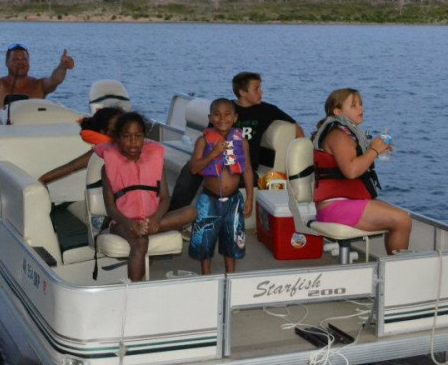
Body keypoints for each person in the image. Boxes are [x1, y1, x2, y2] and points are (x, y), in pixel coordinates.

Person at [168, 71, 304, 212]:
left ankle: (207, 216)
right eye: (256, 89)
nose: (261, 92)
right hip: (218, 159)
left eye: (260, 88)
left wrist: (301, 157)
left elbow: (296, 127)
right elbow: (209, 139)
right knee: (190, 170)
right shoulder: (226, 111)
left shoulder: (267, 110)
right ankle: (175, 214)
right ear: (242, 92)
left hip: (243, 167)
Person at [95, 112, 196, 282]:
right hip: (122, 223)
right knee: (140, 242)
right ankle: (134, 291)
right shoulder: (107, 168)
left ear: (144, 138)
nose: (133, 141)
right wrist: (130, 224)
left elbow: (165, 198)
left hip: (152, 220)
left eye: (138, 136)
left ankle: (146, 228)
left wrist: (155, 219)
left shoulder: (155, 162)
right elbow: (110, 207)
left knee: (191, 211)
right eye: (127, 136)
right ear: (118, 139)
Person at [312, 88, 411, 255]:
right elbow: (351, 171)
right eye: (354, 105)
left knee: (399, 216)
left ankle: (395, 266)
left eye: (361, 104)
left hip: (340, 204)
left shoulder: (343, 133)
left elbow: (351, 162)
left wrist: (373, 151)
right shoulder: (338, 135)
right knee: (402, 220)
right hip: (335, 207)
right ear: (337, 111)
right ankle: (398, 270)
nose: (361, 109)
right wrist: (374, 151)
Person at [187, 98, 254, 275]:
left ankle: (230, 277)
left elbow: (247, 170)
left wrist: (249, 198)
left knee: (232, 241)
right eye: (216, 114)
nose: (222, 118)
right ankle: (206, 278)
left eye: (227, 114)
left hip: (233, 200)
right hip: (209, 199)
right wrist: (214, 154)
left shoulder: (242, 142)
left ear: (235, 117)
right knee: (204, 242)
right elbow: (194, 168)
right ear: (210, 117)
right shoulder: (203, 141)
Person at [0, 43, 75, 116]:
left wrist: (63, 66)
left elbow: (55, 80)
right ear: (7, 63)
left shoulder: (40, 85)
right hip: (3, 136)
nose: (20, 63)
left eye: (24, 59)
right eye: (15, 60)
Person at [38, 107, 123, 185]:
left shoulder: (133, 145)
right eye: (116, 130)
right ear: (103, 132)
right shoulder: (102, 150)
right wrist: (43, 180)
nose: (122, 133)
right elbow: (72, 167)